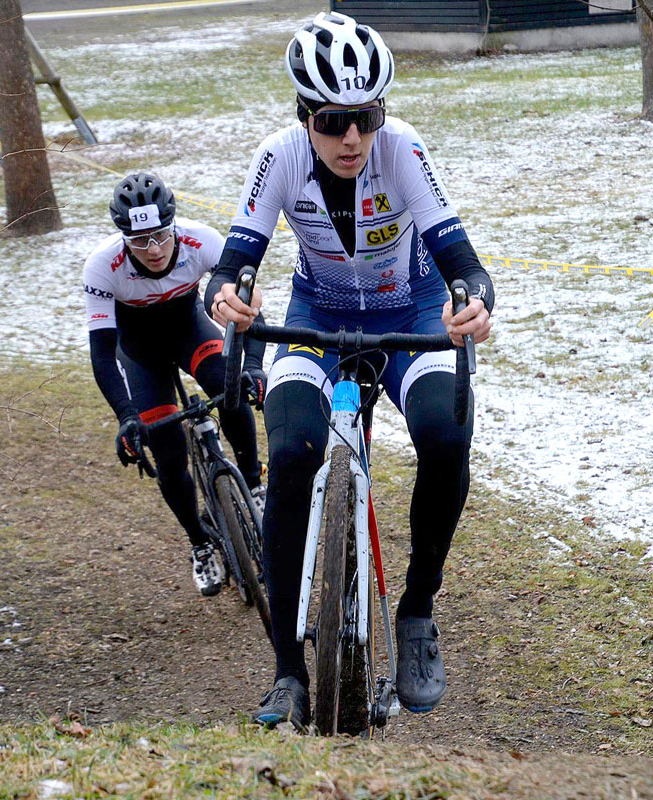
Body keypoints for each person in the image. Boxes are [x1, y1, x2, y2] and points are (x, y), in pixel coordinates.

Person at [205, 12, 495, 731]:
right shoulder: (278, 157)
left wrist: (477, 303)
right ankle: (286, 673)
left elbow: (462, 260)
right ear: (304, 115)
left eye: (365, 118)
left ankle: (417, 610)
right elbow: (237, 256)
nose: (351, 139)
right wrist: (229, 293)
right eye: (332, 121)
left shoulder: (402, 151)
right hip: (319, 317)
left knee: (446, 433)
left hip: (413, 310)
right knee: (295, 453)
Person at [84, 172, 268, 597]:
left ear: (175, 226)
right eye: (139, 241)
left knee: (231, 386)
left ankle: (253, 484)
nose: (152, 249)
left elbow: (248, 310)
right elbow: (102, 352)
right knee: (166, 451)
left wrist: (253, 367)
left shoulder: (202, 241)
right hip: (140, 354)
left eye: (160, 236)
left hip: (189, 330)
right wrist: (126, 417)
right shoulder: (102, 267)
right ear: (123, 238)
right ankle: (200, 543)